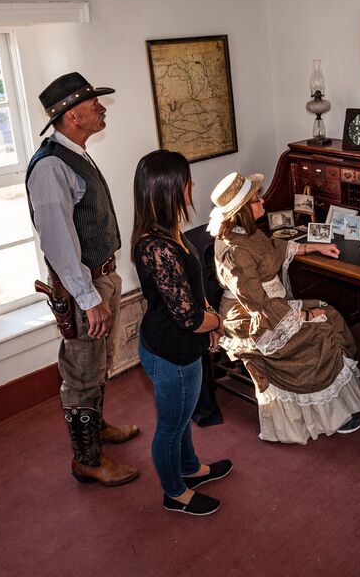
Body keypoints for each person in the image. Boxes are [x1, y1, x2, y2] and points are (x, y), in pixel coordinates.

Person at [26, 72, 140, 487]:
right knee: (81, 373)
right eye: (95, 105)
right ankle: (87, 459)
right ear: (73, 115)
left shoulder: (75, 153)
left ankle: (99, 427)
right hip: (82, 289)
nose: (102, 109)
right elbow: (57, 241)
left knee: (97, 364)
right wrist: (88, 299)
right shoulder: (51, 166)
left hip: (98, 280)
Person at [209, 172, 360, 444]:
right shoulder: (234, 250)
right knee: (317, 334)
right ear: (243, 210)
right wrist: (303, 315)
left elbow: (273, 249)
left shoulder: (249, 233)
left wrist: (315, 247)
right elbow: (257, 302)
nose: (263, 202)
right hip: (251, 317)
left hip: (274, 306)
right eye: (257, 200)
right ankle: (328, 416)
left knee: (331, 314)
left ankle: (335, 407)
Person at [131, 150, 232, 516]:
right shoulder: (156, 247)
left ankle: (190, 469)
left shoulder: (166, 230)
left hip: (180, 344)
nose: (193, 185)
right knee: (171, 427)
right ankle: (175, 492)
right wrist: (218, 323)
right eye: (187, 180)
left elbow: (190, 293)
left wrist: (207, 320)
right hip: (171, 352)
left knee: (183, 414)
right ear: (170, 189)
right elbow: (188, 317)